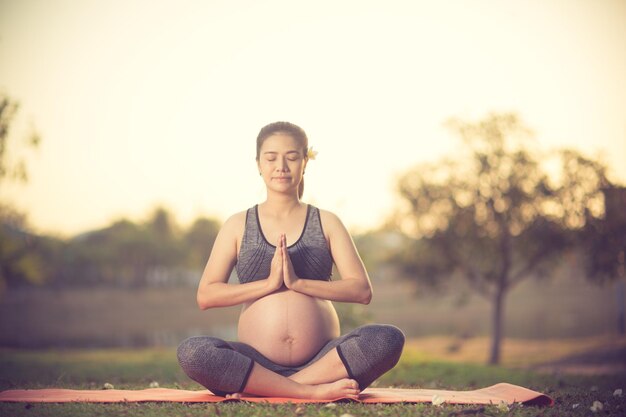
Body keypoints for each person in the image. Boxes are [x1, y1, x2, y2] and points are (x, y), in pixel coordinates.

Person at [177, 121, 405, 400]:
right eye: (271, 158)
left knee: (387, 338)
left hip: (324, 361)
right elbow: (206, 295)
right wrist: (269, 283)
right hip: (255, 363)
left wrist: (298, 282)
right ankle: (308, 391)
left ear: (305, 163)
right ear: (258, 164)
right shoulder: (237, 225)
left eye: (292, 157)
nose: (281, 166)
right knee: (193, 352)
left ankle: (280, 388)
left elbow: (361, 290)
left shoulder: (327, 222)